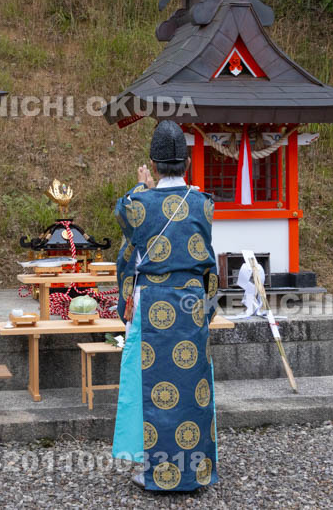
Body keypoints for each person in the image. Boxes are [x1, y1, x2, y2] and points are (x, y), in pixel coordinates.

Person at [111, 120, 220, 491]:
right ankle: (196, 470)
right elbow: (208, 261)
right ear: (187, 164)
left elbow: (124, 230)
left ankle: (152, 470)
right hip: (190, 303)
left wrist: (141, 185)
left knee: (149, 387)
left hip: (152, 301)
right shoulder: (203, 204)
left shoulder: (136, 203)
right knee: (191, 385)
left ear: (154, 165)